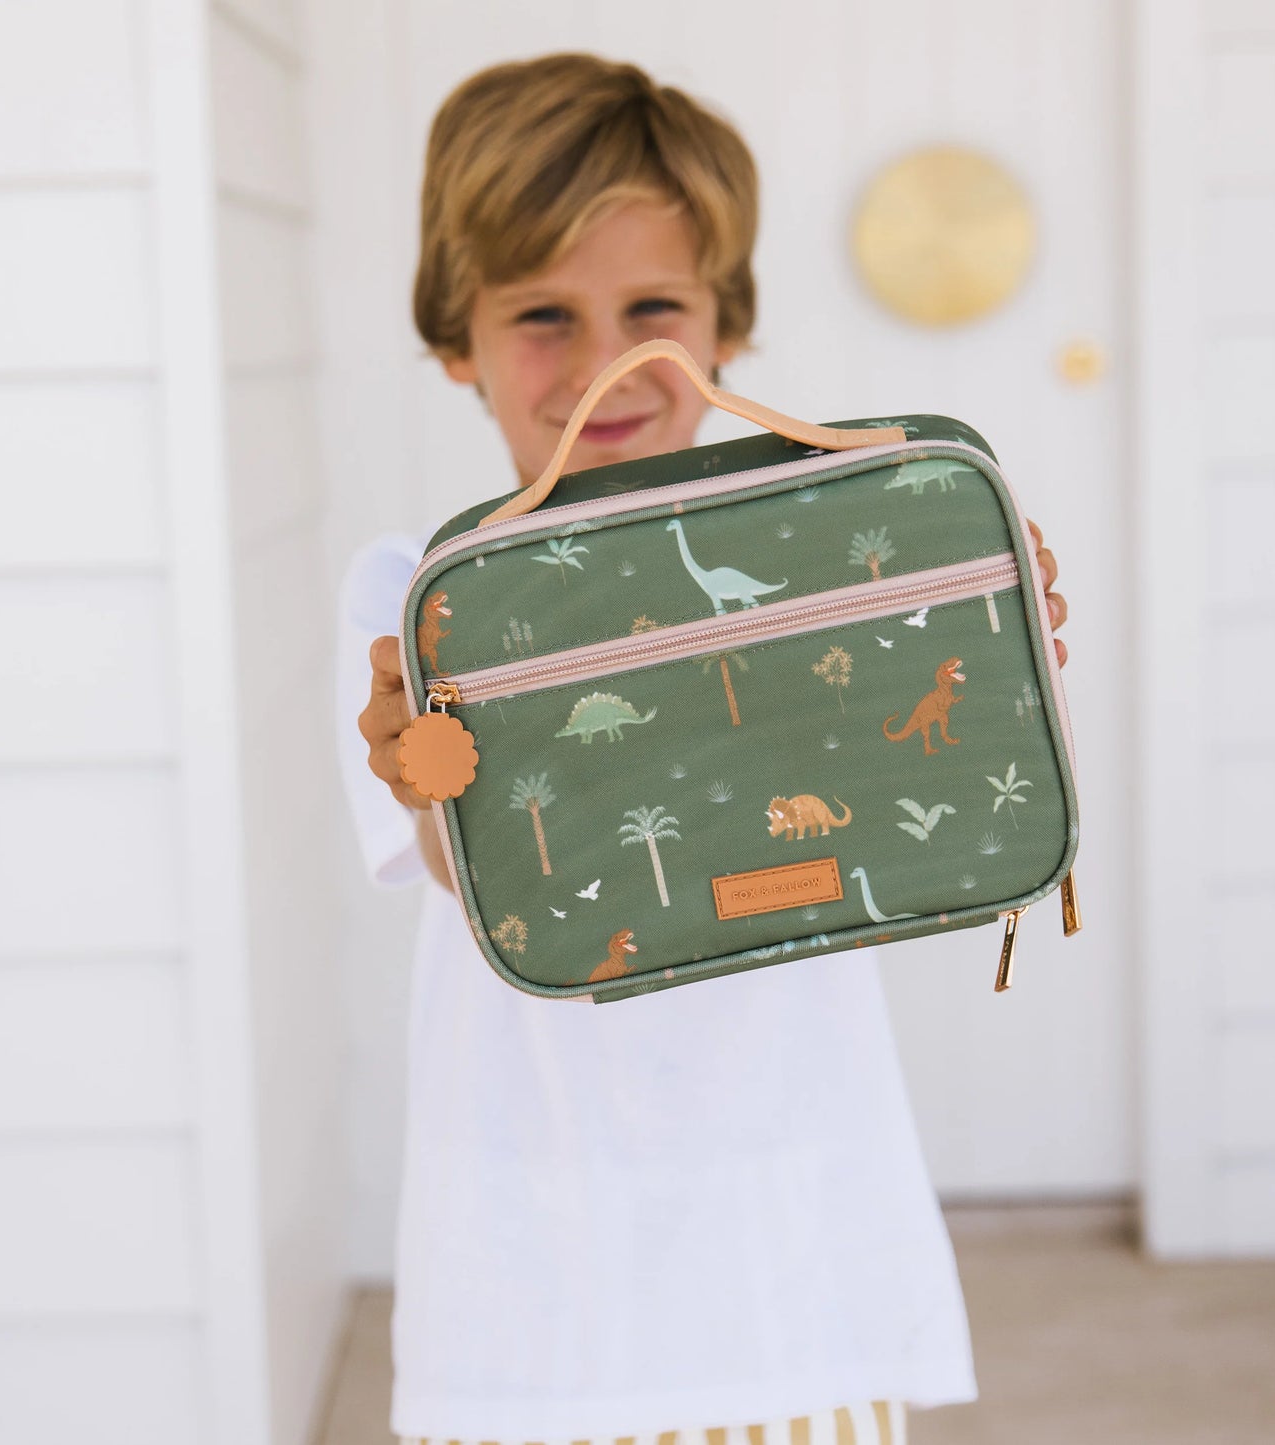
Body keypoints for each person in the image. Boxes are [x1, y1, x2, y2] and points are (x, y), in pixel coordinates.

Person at [341, 52, 1069, 1445]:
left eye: (652, 308)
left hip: (793, 1266)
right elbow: (453, 864)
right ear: (456, 339)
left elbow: (924, 775)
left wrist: (991, 645)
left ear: (725, 322)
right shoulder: (411, 594)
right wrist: (420, 769)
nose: (606, 363)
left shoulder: (821, 546)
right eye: (541, 314)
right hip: (531, 1288)